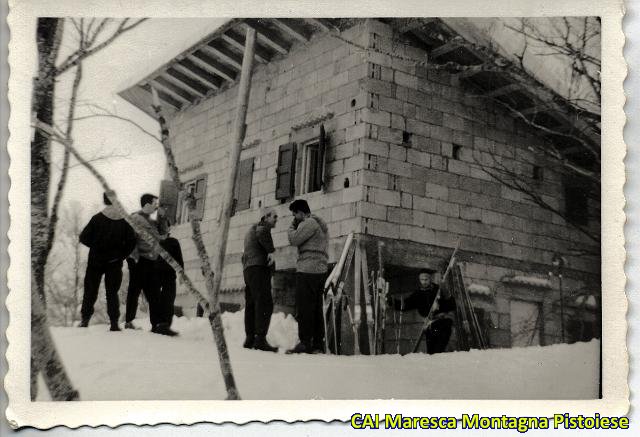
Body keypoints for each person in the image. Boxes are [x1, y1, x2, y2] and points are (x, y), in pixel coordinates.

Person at [79, 192, 136, 331]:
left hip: (95, 261)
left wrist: (96, 246)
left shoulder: (97, 219)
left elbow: (83, 237)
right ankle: (114, 323)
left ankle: (85, 320)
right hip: (114, 263)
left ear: (104, 201)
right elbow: (132, 242)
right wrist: (120, 255)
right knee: (112, 293)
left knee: (90, 291)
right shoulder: (124, 220)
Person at [286, 199, 329, 354]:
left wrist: (292, 226)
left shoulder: (309, 223)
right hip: (320, 270)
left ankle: (305, 343)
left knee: (305, 308)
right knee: (316, 308)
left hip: (307, 269)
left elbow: (293, 239)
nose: (294, 217)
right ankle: (318, 344)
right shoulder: (319, 224)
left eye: (295, 214)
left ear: (301, 213)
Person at [390, 269, 455, 354]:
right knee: (431, 353)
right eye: (422, 280)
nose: (424, 282)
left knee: (439, 351)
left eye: (426, 279)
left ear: (430, 279)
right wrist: (391, 301)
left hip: (443, 322)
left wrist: (442, 302)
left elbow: (452, 305)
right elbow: (405, 305)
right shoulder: (418, 294)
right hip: (430, 324)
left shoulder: (438, 290)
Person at [124, 193, 163, 333]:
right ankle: (129, 321)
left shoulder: (152, 222)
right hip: (139, 260)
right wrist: (134, 258)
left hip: (151, 260)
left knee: (154, 292)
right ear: (146, 204)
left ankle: (156, 324)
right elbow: (129, 238)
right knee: (134, 290)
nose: (156, 206)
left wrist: (163, 217)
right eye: (154, 203)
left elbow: (162, 236)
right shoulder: (135, 218)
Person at [241, 207, 279, 352]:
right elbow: (262, 233)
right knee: (265, 303)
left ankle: (250, 338)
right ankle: (260, 339)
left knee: (251, 303)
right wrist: (271, 251)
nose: (276, 220)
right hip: (258, 269)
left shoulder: (250, 230)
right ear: (265, 217)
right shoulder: (262, 228)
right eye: (274, 217)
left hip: (248, 270)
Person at [155, 219, 183, 336]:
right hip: (155, 274)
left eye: (165, 225)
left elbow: (179, 259)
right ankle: (156, 324)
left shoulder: (174, 242)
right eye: (161, 225)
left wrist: (181, 273)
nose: (164, 227)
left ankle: (165, 325)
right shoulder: (153, 241)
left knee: (169, 299)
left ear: (169, 228)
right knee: (156, 299)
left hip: (169, 275)